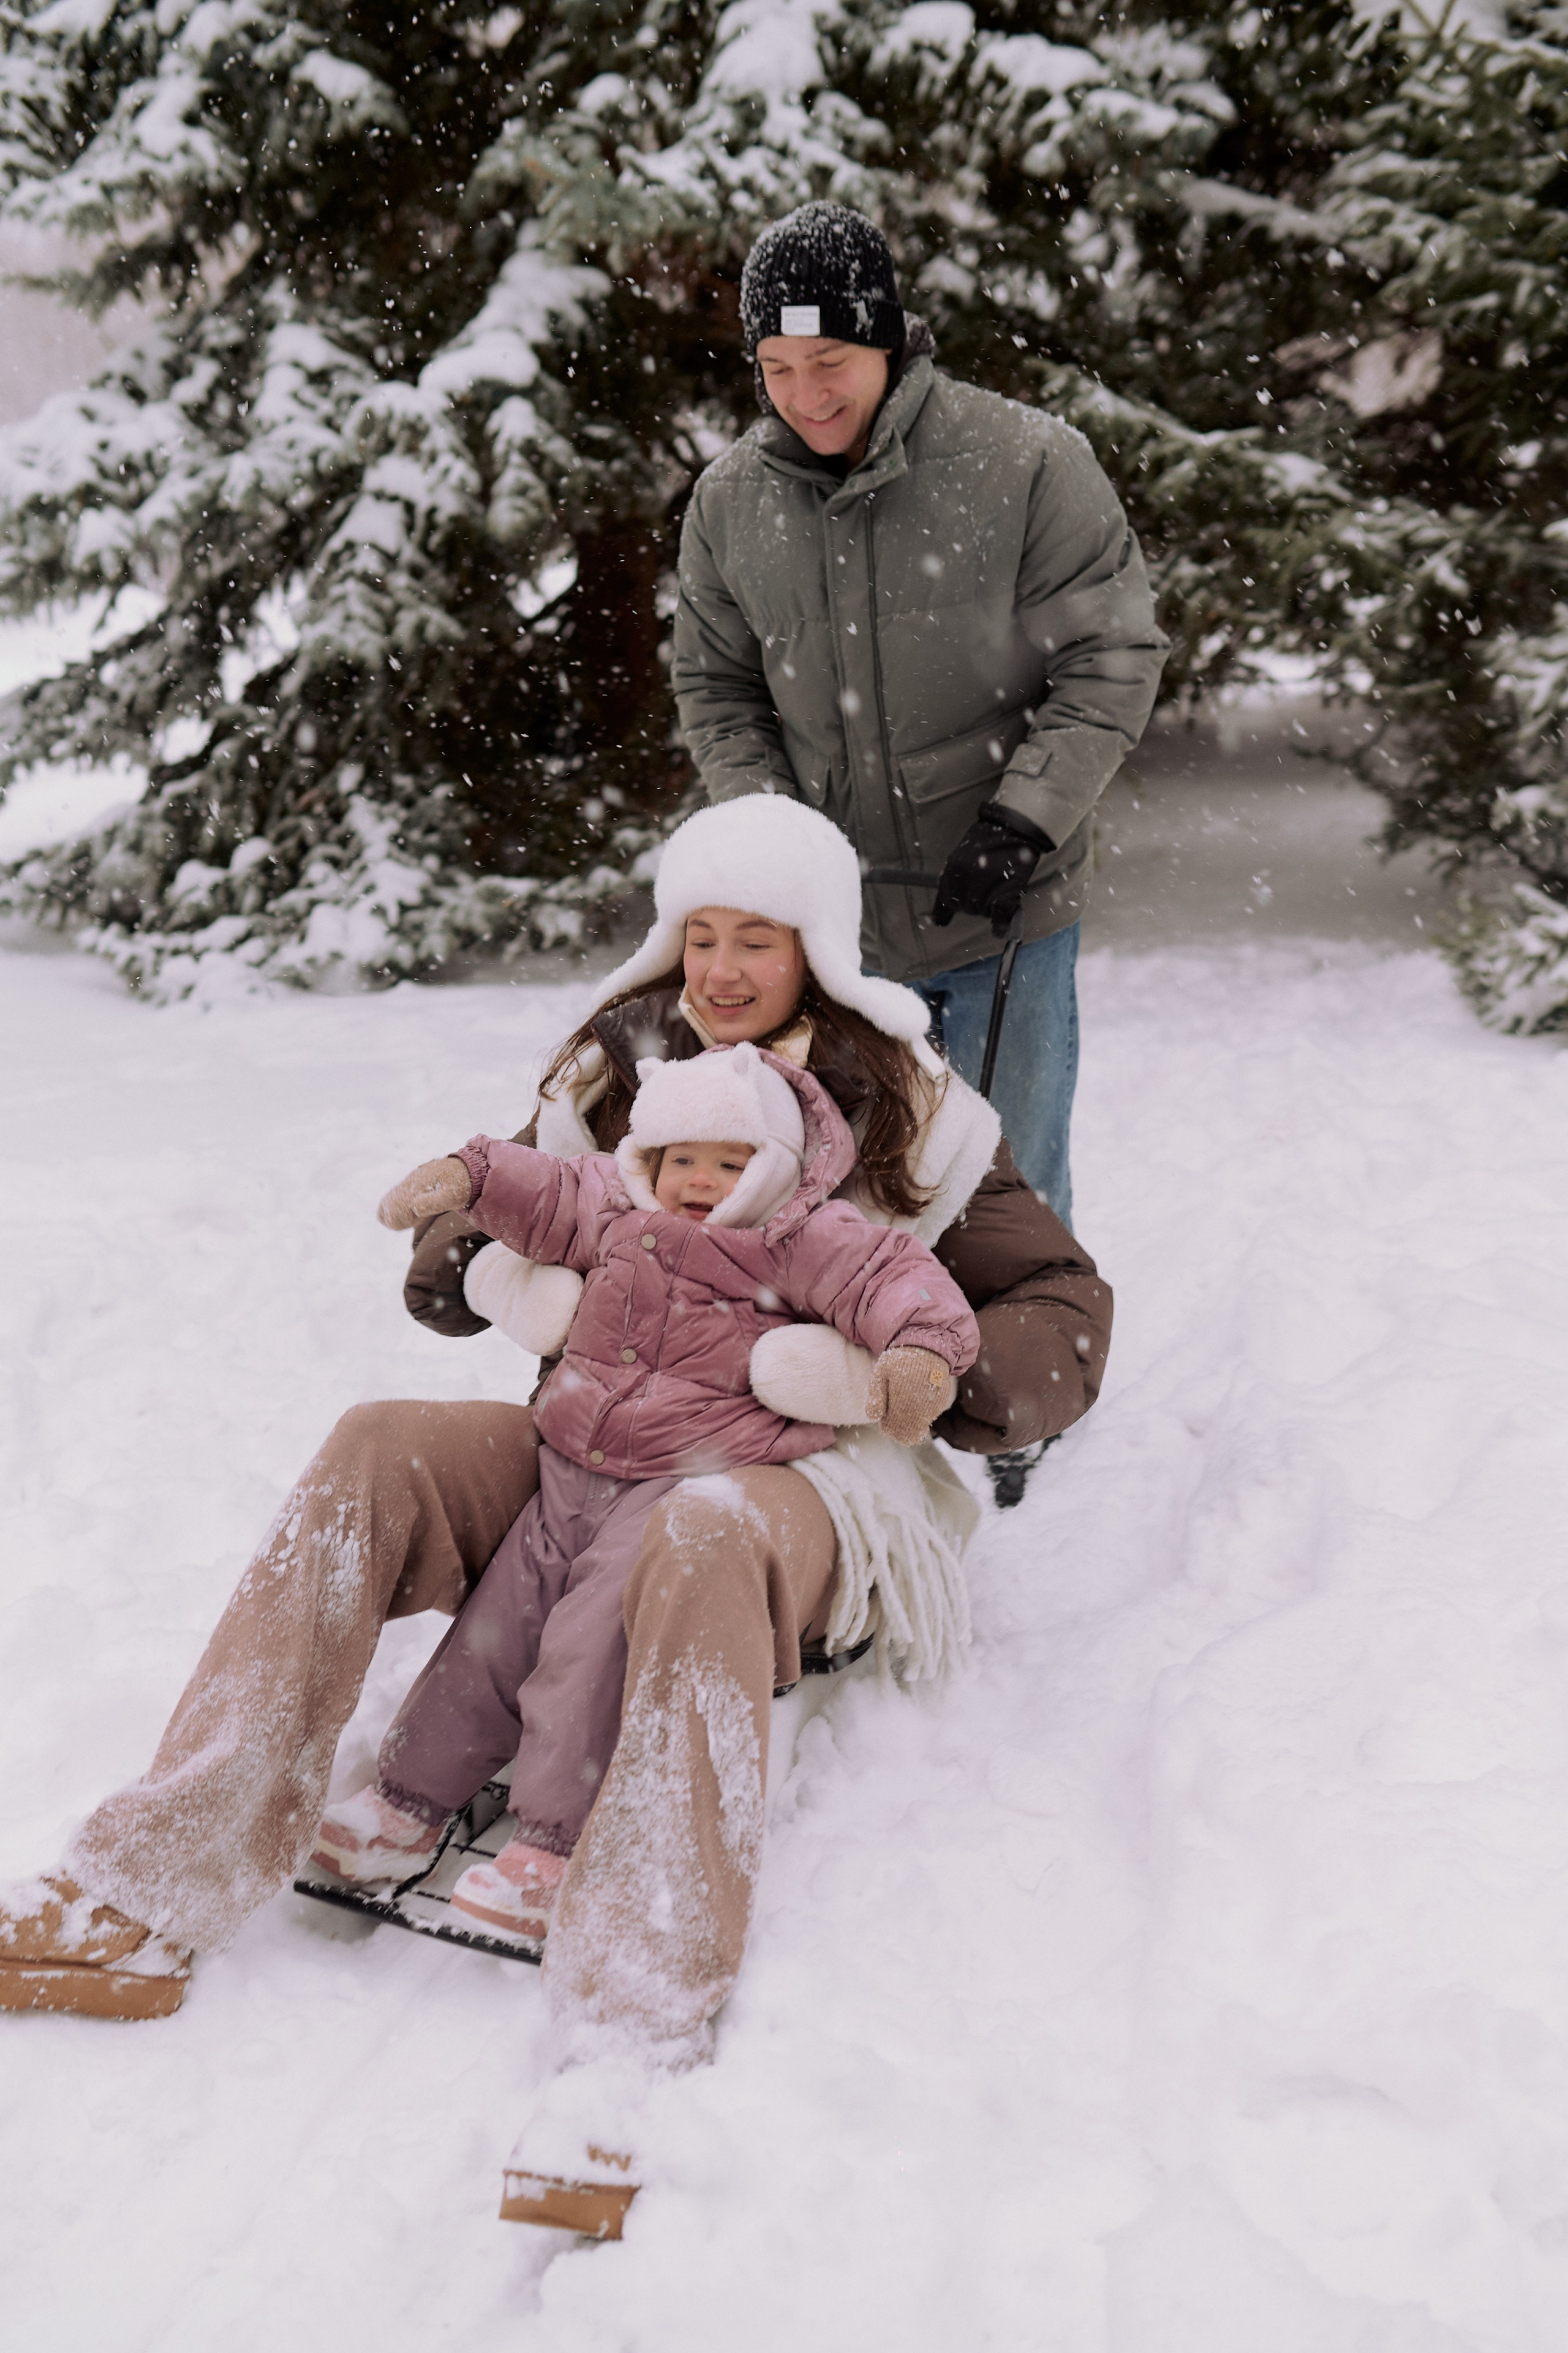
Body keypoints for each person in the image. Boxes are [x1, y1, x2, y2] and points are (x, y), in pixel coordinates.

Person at [0, 794, 1111, 2235]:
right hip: (591, 1441)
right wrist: (479, 1266)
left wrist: (887, 1381)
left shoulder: (912, 1109)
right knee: (378, 1444)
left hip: (804, 1475)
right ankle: (156, 1874)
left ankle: (634, 2032)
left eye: (755, 941)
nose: (719, 971)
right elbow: (509, 1208)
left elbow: (1062, 1309)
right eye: (698, 936)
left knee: (706, 1528)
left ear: (817, 950)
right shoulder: (617, 1066)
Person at [309, 1041, 978, 1941]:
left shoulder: (802, 1236)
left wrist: (922, 1356)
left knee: (589, 1644)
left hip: (680, 1478)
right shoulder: (619, 1204)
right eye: (680, 1159)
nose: (698, 1181)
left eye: (727, 1161)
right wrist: (464, 1176)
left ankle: (551, 1843)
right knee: (495, 1635)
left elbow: (897, 1282)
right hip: (567, 1467)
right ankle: (405, 1800)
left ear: (774, 1165)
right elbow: (545, 1190)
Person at [671, 200, 1169, 1240]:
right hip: (837, 935)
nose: (806, 394)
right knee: (844, 1191)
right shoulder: (729, 504)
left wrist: (1023, 820)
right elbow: (718, 689)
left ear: (889, 339)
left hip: (1005, 912)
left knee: (1008, 1186)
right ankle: (872, 1388)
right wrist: (775, 844)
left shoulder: (1028, 463)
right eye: (778, 364)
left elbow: (1111, 654)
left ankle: (1024, 1393)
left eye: (832, 359)